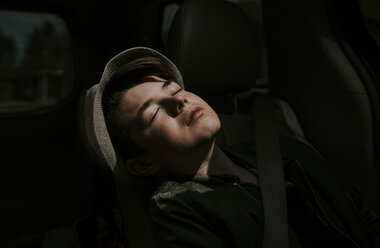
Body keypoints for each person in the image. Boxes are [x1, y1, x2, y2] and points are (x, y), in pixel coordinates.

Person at [85, 47, 380, 248]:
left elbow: (360, 217)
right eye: (153, 114)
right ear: (143, 164)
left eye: (175, 89)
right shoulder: (177, 207)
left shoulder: (285, 148)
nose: (179, 101)